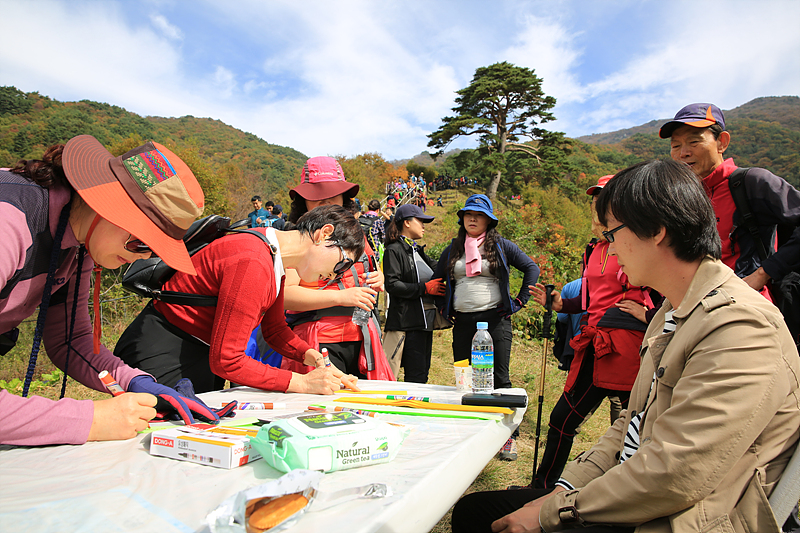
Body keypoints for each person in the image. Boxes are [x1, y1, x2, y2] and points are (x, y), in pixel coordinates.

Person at [452, 159, 800, 533]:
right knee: (475, 512)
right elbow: (631, 423)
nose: (610, 248)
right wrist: (562, 491)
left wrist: (550, 514)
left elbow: (674, 477)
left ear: (657, 232)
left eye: (613, 233)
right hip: (637, 490)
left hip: (677, 517)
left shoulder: (741, 328)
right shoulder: (673, 310)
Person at [0, 135, 220, 446]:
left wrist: (137, 381)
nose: (143, 256)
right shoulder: (8, 223)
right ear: (109, 208)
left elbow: (70, 341)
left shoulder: (78, 241)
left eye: (155, 250)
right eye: (142, 241)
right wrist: (90, 420)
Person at [115, 205, 361, 395]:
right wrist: (302, 383)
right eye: (342, 263)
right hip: (164, 352)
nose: (335, 275)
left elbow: (274, 330)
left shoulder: (274, 256)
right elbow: (228, 361)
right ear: (323, 234)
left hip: (198, 352)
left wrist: (317, 359)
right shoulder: (253, 259)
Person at [527, 175, 659, 488]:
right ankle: (540, 488)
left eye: (608, 198)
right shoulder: (594, 249)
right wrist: (560, 304)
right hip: (595, 342)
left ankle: (628, 493)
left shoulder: (638, 240)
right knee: (562, 419)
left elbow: (663, 287)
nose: (599, 204)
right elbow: (588, 300)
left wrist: (649, 314)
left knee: (637, 426)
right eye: (596, 198)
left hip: (629, 346)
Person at [661, 103, 800, 344]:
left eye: (694, 142)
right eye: (676, 145)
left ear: (722, 142)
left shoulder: (752, 183)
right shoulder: (681, 198)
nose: (683, 152)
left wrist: (763, 274)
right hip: (694, 314)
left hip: (745, 314)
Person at [434, 194, 540, 461]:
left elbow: (531, 268)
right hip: (463, 322)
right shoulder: (454, 248)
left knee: (500, 379)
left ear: (488, 221)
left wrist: (520, 301)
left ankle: (507, 439)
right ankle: (471, 433)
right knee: (465, 380)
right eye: (468, 214)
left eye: (478, 215)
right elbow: (437, 279)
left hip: (496, 319)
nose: (472, 218)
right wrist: (443, 306)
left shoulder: (501, 246)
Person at [281, 157, 393, 380]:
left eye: (333, 198)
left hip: (362, 337)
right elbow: (286, 295)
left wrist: (379, 278)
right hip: (317, 341)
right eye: (317, 199)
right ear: (303, 202)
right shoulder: (296, 238)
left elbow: (367, 268)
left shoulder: (356, 235)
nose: (326, 205)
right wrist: (342, 297)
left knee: (366, 407)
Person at [383, 204, 444, 382]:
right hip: (407, 324)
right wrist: (424, 288)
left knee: (422, 374)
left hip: (424, 323)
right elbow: (392, 285)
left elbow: (440, 269)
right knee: (412, 377)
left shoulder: (417, 250)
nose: (424, 225)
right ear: (407, 223)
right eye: (421, 221)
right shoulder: (394, 250)